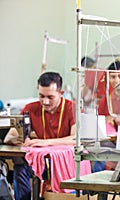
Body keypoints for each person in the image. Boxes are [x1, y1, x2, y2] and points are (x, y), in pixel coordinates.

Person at [6, 72, 76, 200]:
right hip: (42, 161)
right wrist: (20, 138)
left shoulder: (72, 108)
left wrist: (45, 142)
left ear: (61, 93)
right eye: (41, 96)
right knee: (20, 167)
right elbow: (9, 136)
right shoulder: (31, 109)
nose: (45, 101)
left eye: (50, 97)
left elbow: (75, 138)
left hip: (65, 161)